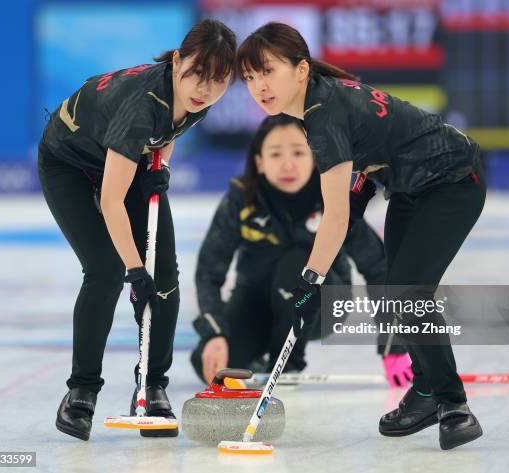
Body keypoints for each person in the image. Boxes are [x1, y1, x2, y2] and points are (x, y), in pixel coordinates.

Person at [236, 22, 485, 450]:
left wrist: (308, 282)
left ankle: (453, 404)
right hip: (411, 186)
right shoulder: (323, 96)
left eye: (267, 72)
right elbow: (373, 155)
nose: (259, 86)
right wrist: (357, 195)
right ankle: (426, 391)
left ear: (299, 70)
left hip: (453, 182)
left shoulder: (321, 115)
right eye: (250, 78)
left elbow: (333, 219)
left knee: (409, 294)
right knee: (398, 291)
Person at [38, 19, 236, 441]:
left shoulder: (201, 97)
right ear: (178, 60)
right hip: (70, 164)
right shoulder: (140, 106)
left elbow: (173, 125)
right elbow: (111, 201)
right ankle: (81, 392)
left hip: (126, 159)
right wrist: (133, 271)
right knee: (107, 271)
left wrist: (160, 163)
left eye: (219, 80)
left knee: (165, 278)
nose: (205, 88)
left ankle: (152, 385)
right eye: (198, 74)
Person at [191, 114, 413, 386]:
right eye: (275, 154)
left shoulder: (332, 200)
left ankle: (287, 364)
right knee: (210, 362)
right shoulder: (241, 197)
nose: (288, 164)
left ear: (314, 157)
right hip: (257, 301)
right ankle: (263, 357)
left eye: (298, 152)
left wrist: (393, 344)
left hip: (324, 304)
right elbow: (208, 272)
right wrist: (214, 332)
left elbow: (378, 268)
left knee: (297, 266)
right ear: (260, 162)